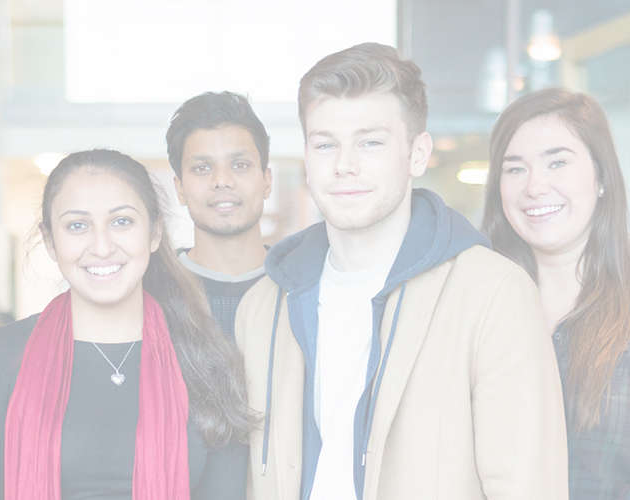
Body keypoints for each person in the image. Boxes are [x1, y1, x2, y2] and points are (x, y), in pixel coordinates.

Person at [234, 43, 568, 500]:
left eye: (370, 142)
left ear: (417, 154)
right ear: (307, 158)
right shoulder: (263, 306)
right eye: (325, 144)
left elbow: (528, 488)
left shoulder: (494, 294)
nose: (345, 166)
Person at [0, 149, 251, 499]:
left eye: (121, 221)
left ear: (154, 233)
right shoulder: (0, 357)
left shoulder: (208, 360)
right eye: (77, 226)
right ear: (50, 241)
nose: (102, 246)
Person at [480, 88, 630, 499]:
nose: (535, 186)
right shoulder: (477, 302)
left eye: (557, 163)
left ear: (602, 176)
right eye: (515, 169)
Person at [165, 91, 274, 337]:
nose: (222, 181)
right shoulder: (153, 293)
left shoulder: (302, 287)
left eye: (240, 165)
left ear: (267, 181)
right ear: (180, 189)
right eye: (202, 168)